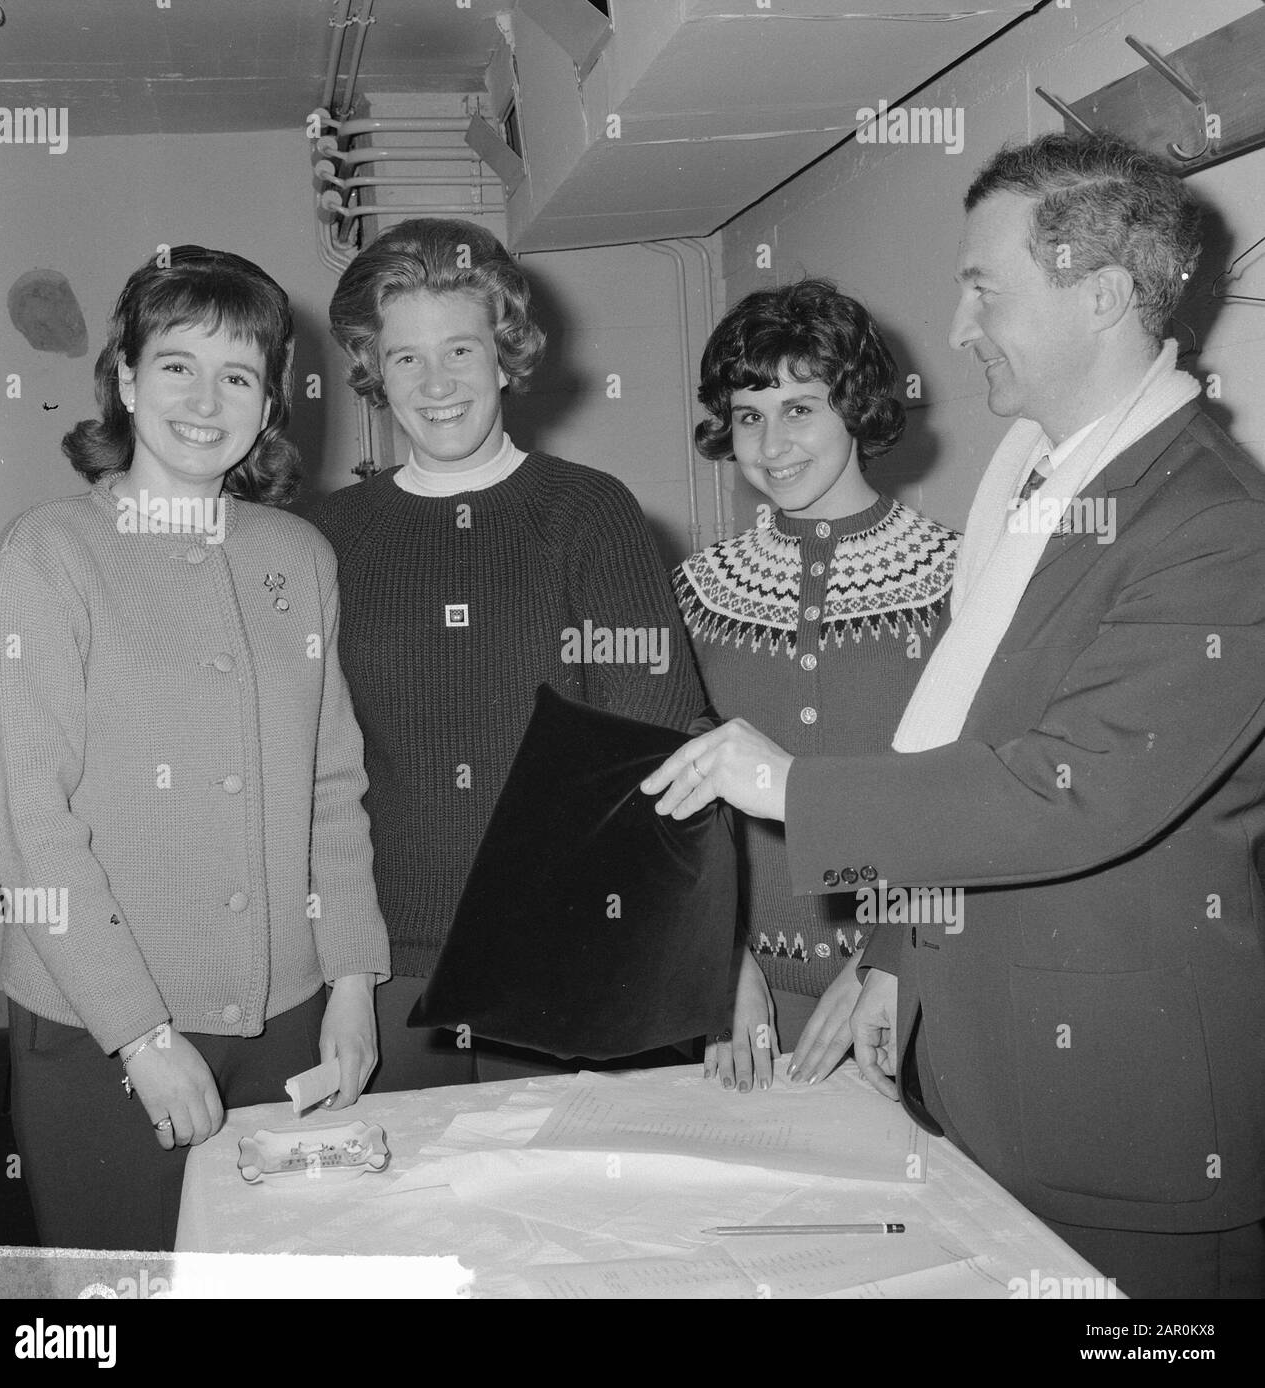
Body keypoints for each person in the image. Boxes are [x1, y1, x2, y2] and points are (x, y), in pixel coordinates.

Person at [642, 132, 1265, 1299]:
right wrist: (891, 961)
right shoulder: (1040, 481)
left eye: (985, 286)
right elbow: (962, 750)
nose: (961, 322)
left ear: (1104, 295)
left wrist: (785, 785)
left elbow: (1062, 789)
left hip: (1121, 1121)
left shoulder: (1217, 527)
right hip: (983, 1077)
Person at [0, 246, 390, 1251]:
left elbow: (332, 790)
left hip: (291, 1022)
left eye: (239, 374)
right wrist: (142, 1036)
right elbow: (31, 826)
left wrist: (350, 983)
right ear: (123, 375)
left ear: (269, 400)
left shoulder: (299, 556)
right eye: (177, 365)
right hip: (101, 1030)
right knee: (117, 1306)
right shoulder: (50, 552)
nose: (207, 399)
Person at [311, 218, 705, 1090]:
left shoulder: (588, 513)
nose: (437, 382)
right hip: (388, 963)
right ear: (374, 370)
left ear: (506, 355)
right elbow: (316, 771)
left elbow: (652, 748)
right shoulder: (327, 538)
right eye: (406, 357)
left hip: (568, 947)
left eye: (461, 349)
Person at [673, 279, 957, 1093]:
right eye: (750, 415)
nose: (770, 443)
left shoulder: (960, 578)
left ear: (857, 409)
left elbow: (972, 796)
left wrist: (887, 957)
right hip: (747, 1004)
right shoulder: (693, 591)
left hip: (916, 980)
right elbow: (677, 810)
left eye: (800, 408)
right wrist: (720, 965)